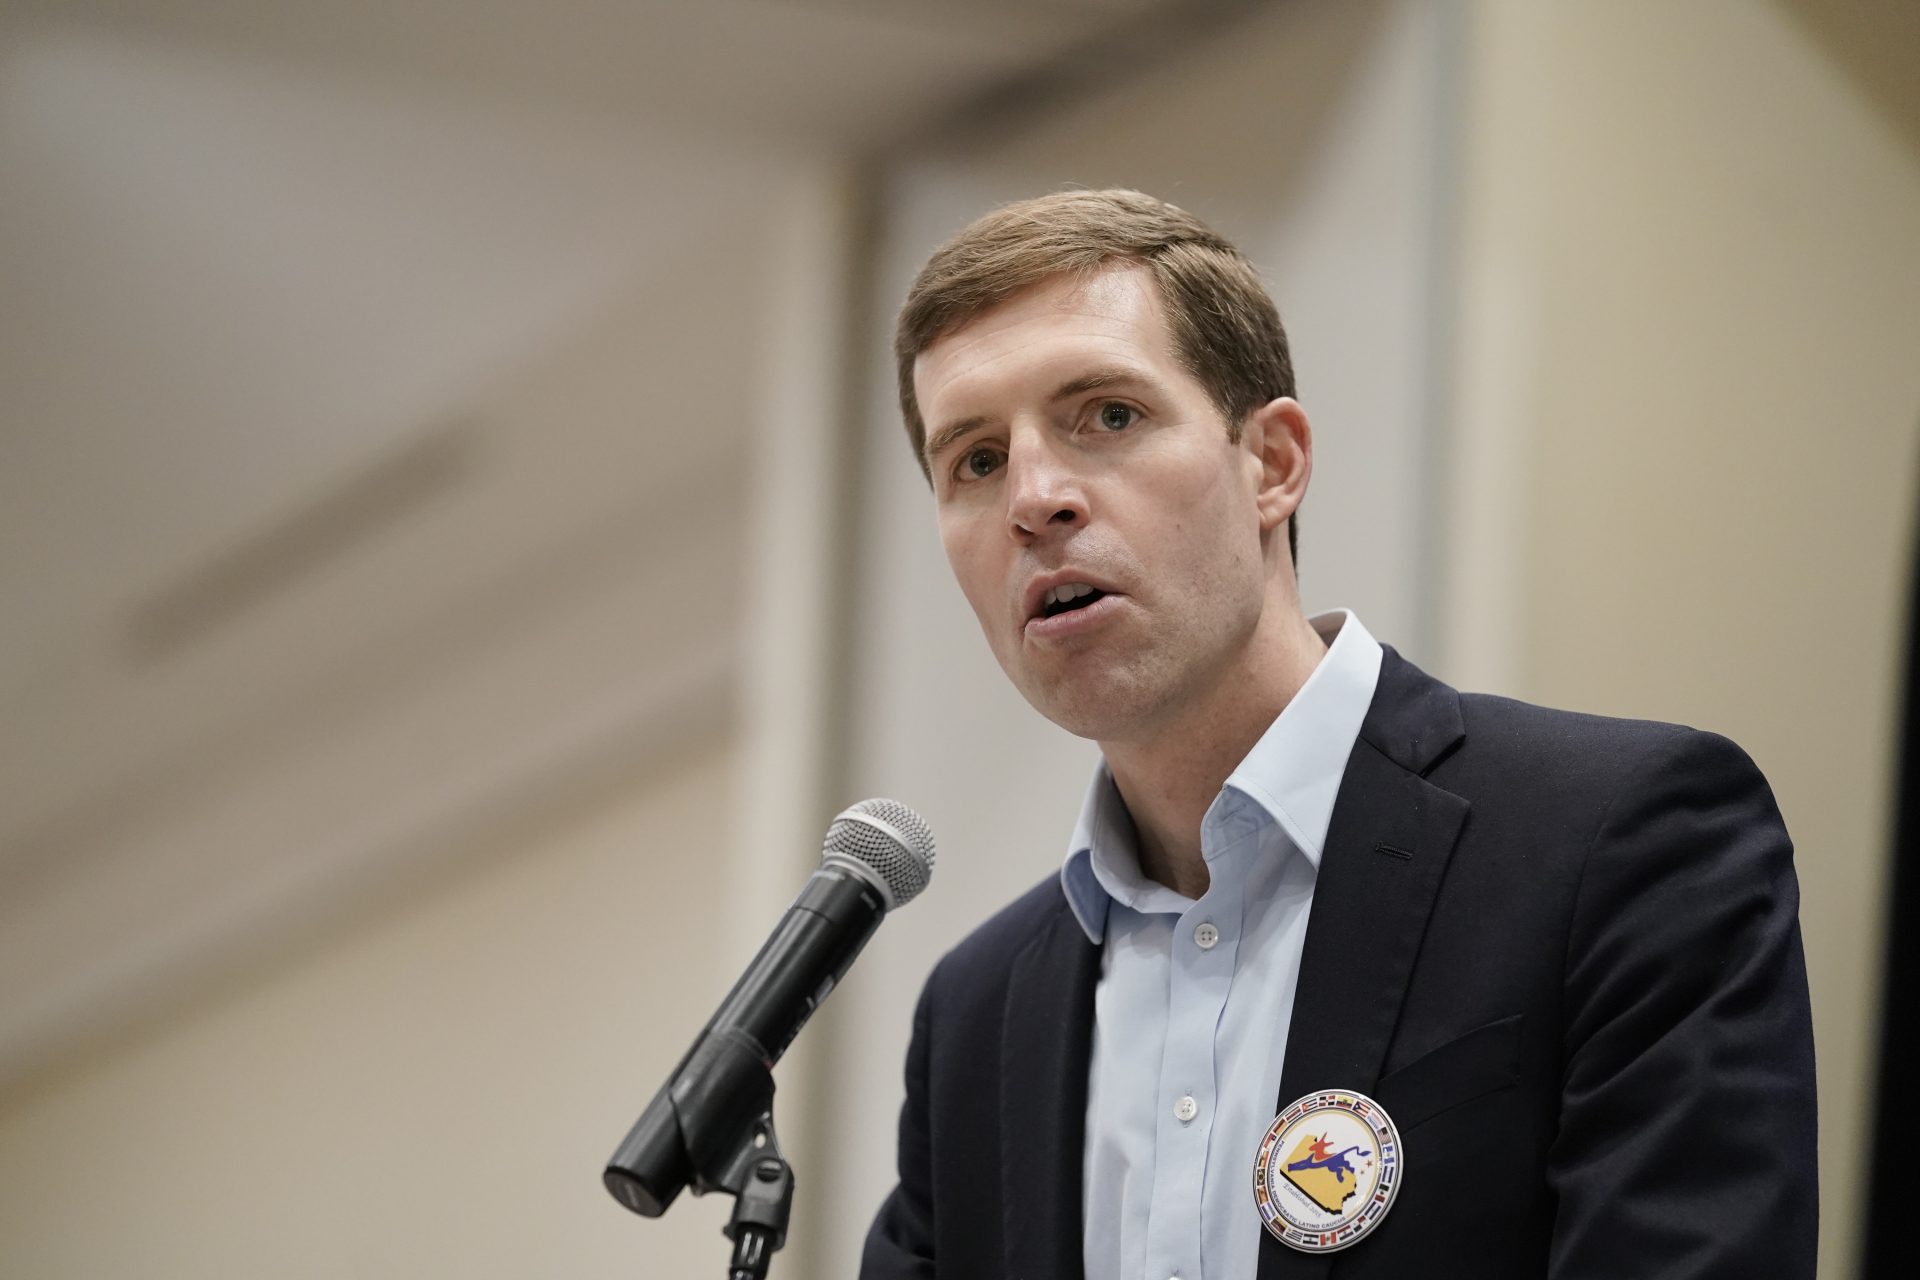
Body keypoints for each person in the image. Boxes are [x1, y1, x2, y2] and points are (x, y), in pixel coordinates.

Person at [858, 189, 1817, 1279]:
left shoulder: (1619, 841)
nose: (1035, 497)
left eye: (1108, 415)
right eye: (975, 460)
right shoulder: (977, 1018)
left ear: (1271, 463)